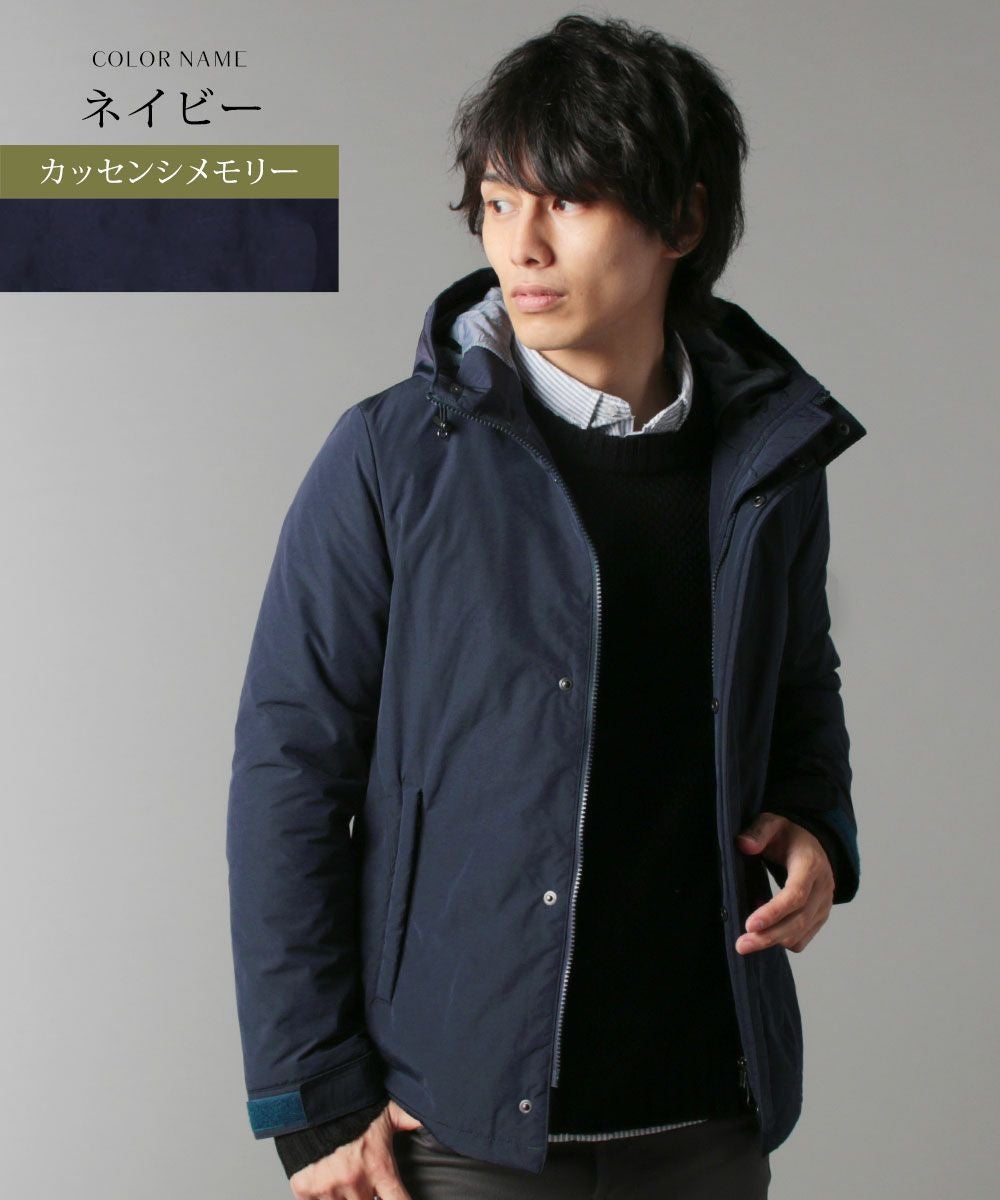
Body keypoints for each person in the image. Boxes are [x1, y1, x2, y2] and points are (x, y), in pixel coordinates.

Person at [226, 13, 867, 1199]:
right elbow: (288, 772)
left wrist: (816, 823)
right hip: (456, 1125)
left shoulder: (766, 459)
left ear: (682, 220)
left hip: (707, 1106)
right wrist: (314, 1101)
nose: (519, 244)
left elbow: (797, 685)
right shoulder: (390, 458)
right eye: (496, 201)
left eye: (566, 201)